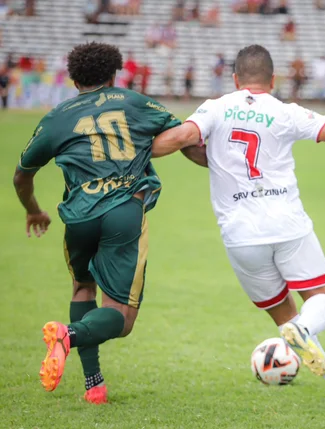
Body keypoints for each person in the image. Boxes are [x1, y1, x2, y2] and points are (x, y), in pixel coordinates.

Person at [150, 44, 325, 403]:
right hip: (287, 224)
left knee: (284, 317)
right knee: (322, 300)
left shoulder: (214, 107)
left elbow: (181, 140)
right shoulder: (285, 111)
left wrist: (128, 150)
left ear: (236, 79)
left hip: (240, 236)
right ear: (273, 79)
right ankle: (304, 331)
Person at [12, 42, 189, 405]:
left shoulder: (57, 116)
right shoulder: (135, 102)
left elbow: (21, 175)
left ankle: (94, 385)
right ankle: (69, 335)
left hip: (78, 216)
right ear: (114, 74)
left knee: (82, 289)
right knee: (120, 319)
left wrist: (33, 209)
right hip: (124, 212)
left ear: (73, 80)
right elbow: (184, 133)